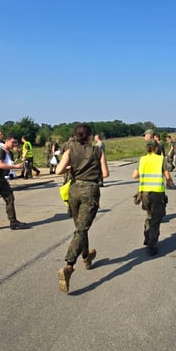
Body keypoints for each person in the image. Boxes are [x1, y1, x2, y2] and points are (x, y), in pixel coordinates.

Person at [55, 123, 109, 294]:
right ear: (90, 136)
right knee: (81, 230)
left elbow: (58, 170)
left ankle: (86, 256)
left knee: (80, 228)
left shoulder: (69, 148)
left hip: (74, 190)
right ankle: (69, 266)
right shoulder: (97, 150)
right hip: (90, 191)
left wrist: (73, 167)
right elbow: (106, 173)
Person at [133, 140, 174, 255]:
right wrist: (170, 183)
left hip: (144, 193)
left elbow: (135, 175)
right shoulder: (161, 159)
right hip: (156, 193)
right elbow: (167, 176)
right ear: (156, 148)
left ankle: (147, 236)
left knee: (149, 215)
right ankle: (151, 244)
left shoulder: (142, 159)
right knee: (156, 219)